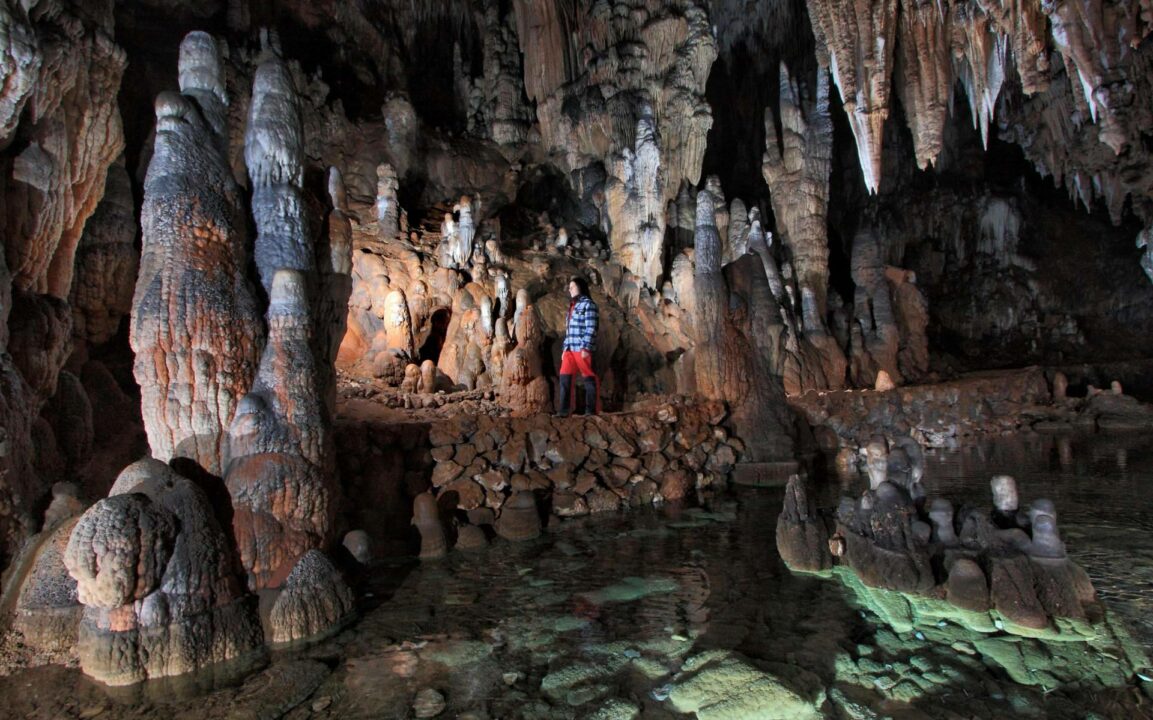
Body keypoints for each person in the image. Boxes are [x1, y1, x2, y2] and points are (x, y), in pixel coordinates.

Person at [556, 276, 600, 416]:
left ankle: (591, 410)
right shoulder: (571, 307)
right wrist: (564, 349)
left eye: (572, 287)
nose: (569, 290)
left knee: (588, 377)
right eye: (569, 288)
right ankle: (564, 410)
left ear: (580, 287)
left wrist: (586, 347)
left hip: (581, 348)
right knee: (564, 378)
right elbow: (568, 330)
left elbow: (591, 327)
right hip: (570, 349)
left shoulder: (589, 305)